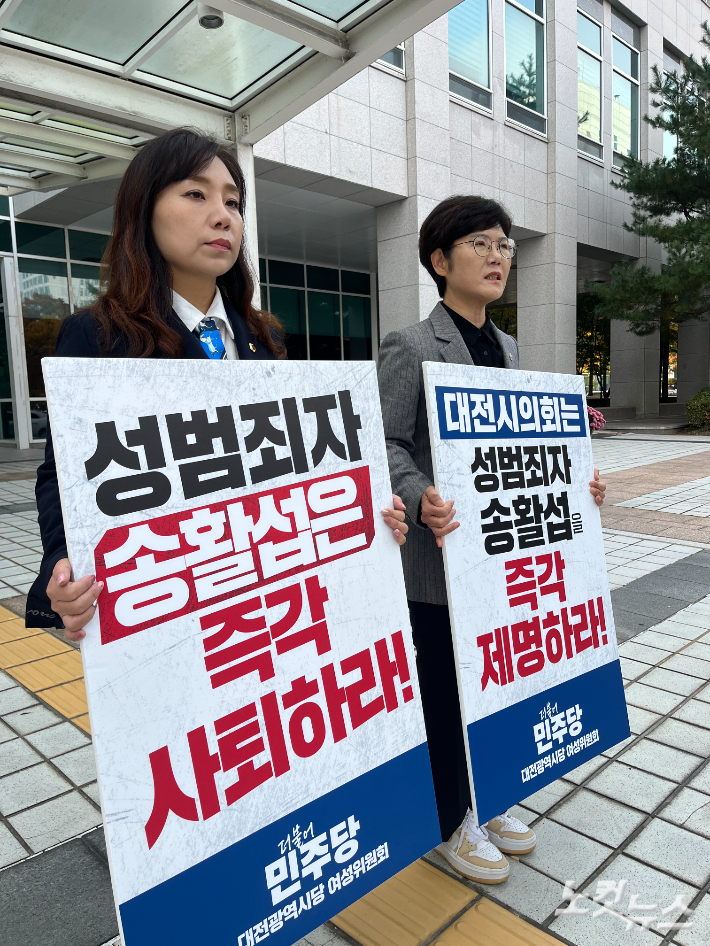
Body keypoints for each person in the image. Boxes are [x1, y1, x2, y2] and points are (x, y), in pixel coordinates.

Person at [26, 128, 408, 640]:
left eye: (233, 201)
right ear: (144, 209)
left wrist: (365, 511)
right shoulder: (98, 335)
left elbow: (294, 469)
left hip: (266, 591)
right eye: (195, 194)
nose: (223, 215)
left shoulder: (264, 335)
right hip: (169, 594)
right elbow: (63, 475)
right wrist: (63, 558)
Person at [378, 195, 607, 884]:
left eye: (504, 244)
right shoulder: (411, 344)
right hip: (439, 563)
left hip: (506, 561)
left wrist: (575, 487)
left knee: (499, 683)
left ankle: (494, 795)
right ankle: (450, 821)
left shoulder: (506, 348)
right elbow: (385, 441)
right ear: (439, 259)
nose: (499, 255)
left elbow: (525, 447)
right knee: (446, 694)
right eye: (480, 243)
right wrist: (421, 498)